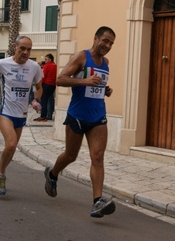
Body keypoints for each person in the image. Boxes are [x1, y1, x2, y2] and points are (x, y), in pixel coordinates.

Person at [44, 26, 116, 218]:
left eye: (111, 43)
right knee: (70, 155)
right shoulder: (81, 57)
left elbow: (96, 84)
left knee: (98, 156)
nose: (107, 46)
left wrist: (105, 89)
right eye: (105, 41)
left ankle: (97, 202)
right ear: (95, 38)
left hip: (98, 115)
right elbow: (60, 79)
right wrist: (85, 82)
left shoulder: (106, 62)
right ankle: (52, 174)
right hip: (77, 114)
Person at [0, 36, 43, 196]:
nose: (25, 52)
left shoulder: (34, 67)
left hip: (21, 114)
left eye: (29, 49)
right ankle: (0, 175)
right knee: (11, 143)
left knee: (12, 147)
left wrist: (35, 99)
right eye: (22, 48)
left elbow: (39, 87)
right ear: (15, 47)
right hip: (4, 110)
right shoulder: (2, 64)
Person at [33, 53, 57, 122]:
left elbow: (43, 76)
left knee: (44, 100)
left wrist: (39, 85)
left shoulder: (47, 66)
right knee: (50, 100)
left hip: (46, 84)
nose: (45, 61)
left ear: (50, 59)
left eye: (46, 59)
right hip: (53, 85)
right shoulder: (55, 66)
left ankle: (43, 115)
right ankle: (49, 115)